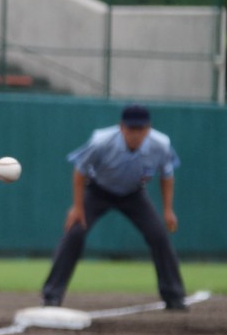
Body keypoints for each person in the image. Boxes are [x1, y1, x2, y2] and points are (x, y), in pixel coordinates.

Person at [41, 104, 186, 310]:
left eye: (140, 129)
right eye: (131, 128)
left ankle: (174, 297)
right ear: (121, 127)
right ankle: (51, 296)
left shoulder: (161, 144)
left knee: (158, 236)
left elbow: (167, 175)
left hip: (134, 194)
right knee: (74, 233)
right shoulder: (101, 141)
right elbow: (80, 170)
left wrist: (168, 210)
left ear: (148, 129)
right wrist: (77, 207)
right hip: (98, 191)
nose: (135, 134)